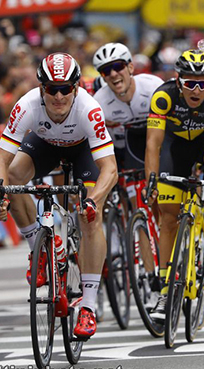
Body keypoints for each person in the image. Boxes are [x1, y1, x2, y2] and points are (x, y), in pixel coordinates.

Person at [0, 53, 118, 339]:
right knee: (14, 178)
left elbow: (110, 170)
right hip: (44, 144)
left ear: (76, 87)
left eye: (66, 88)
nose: (59, 95)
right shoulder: (27, 104)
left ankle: (88, 305)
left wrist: (94, 200)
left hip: (82, 150)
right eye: (52, 88)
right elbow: (3, 159)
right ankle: (37, 251)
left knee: (90, 216)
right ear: (41, 87)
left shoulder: (88, 108)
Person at [144, 48, 204, 323]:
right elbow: (153, 143)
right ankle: (164, 291)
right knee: (169, 216)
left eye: (203, 83)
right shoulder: (164, 97)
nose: (196, 90)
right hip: (175, 147)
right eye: (190, 83)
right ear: (178, 80)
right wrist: (152, 180)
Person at [92, 42, 163, 202]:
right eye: (106, 71)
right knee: (133, 197)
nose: (113, 74)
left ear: (130, 67)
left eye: (118, 66)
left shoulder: (153, 86)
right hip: (123, 147)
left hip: (157, 142)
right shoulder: (100, 102)